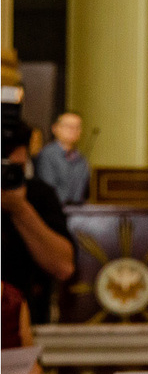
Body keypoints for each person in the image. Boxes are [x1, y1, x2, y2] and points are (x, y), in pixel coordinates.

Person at [2, 120, 75, 324]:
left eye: (9, 152)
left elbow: (63, 267)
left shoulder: (39, 195)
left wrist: (19, 208)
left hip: (25, 325)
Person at [34, 111, 90, 205]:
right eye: (68, 126)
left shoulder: (81, 159)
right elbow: (47, 189)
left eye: (77, 127)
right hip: (54, 210)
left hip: (77, 211)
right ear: (55, 128)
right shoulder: (47, 154)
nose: (73, 130)